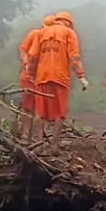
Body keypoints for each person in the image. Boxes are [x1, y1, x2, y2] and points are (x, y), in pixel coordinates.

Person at [26, 11, 87, 147]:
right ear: (69, 23)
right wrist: (81, 76)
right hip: (60, 78)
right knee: (60, 112)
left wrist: (30, 74)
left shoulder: (42, 32)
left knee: (40, 112)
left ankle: (39, 143)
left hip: (42, 77)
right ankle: (54, 145)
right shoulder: (69, 33)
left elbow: (32, 56)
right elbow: (74, 57)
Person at [19, 16, 55, 140]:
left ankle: (39, 137)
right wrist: (26, 63)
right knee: (27, 106)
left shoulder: (53, 42)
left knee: (42, 108)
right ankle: (25, 134)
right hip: (28, 76)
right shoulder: (34, 34)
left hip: (43, 77)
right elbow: (23, 49)